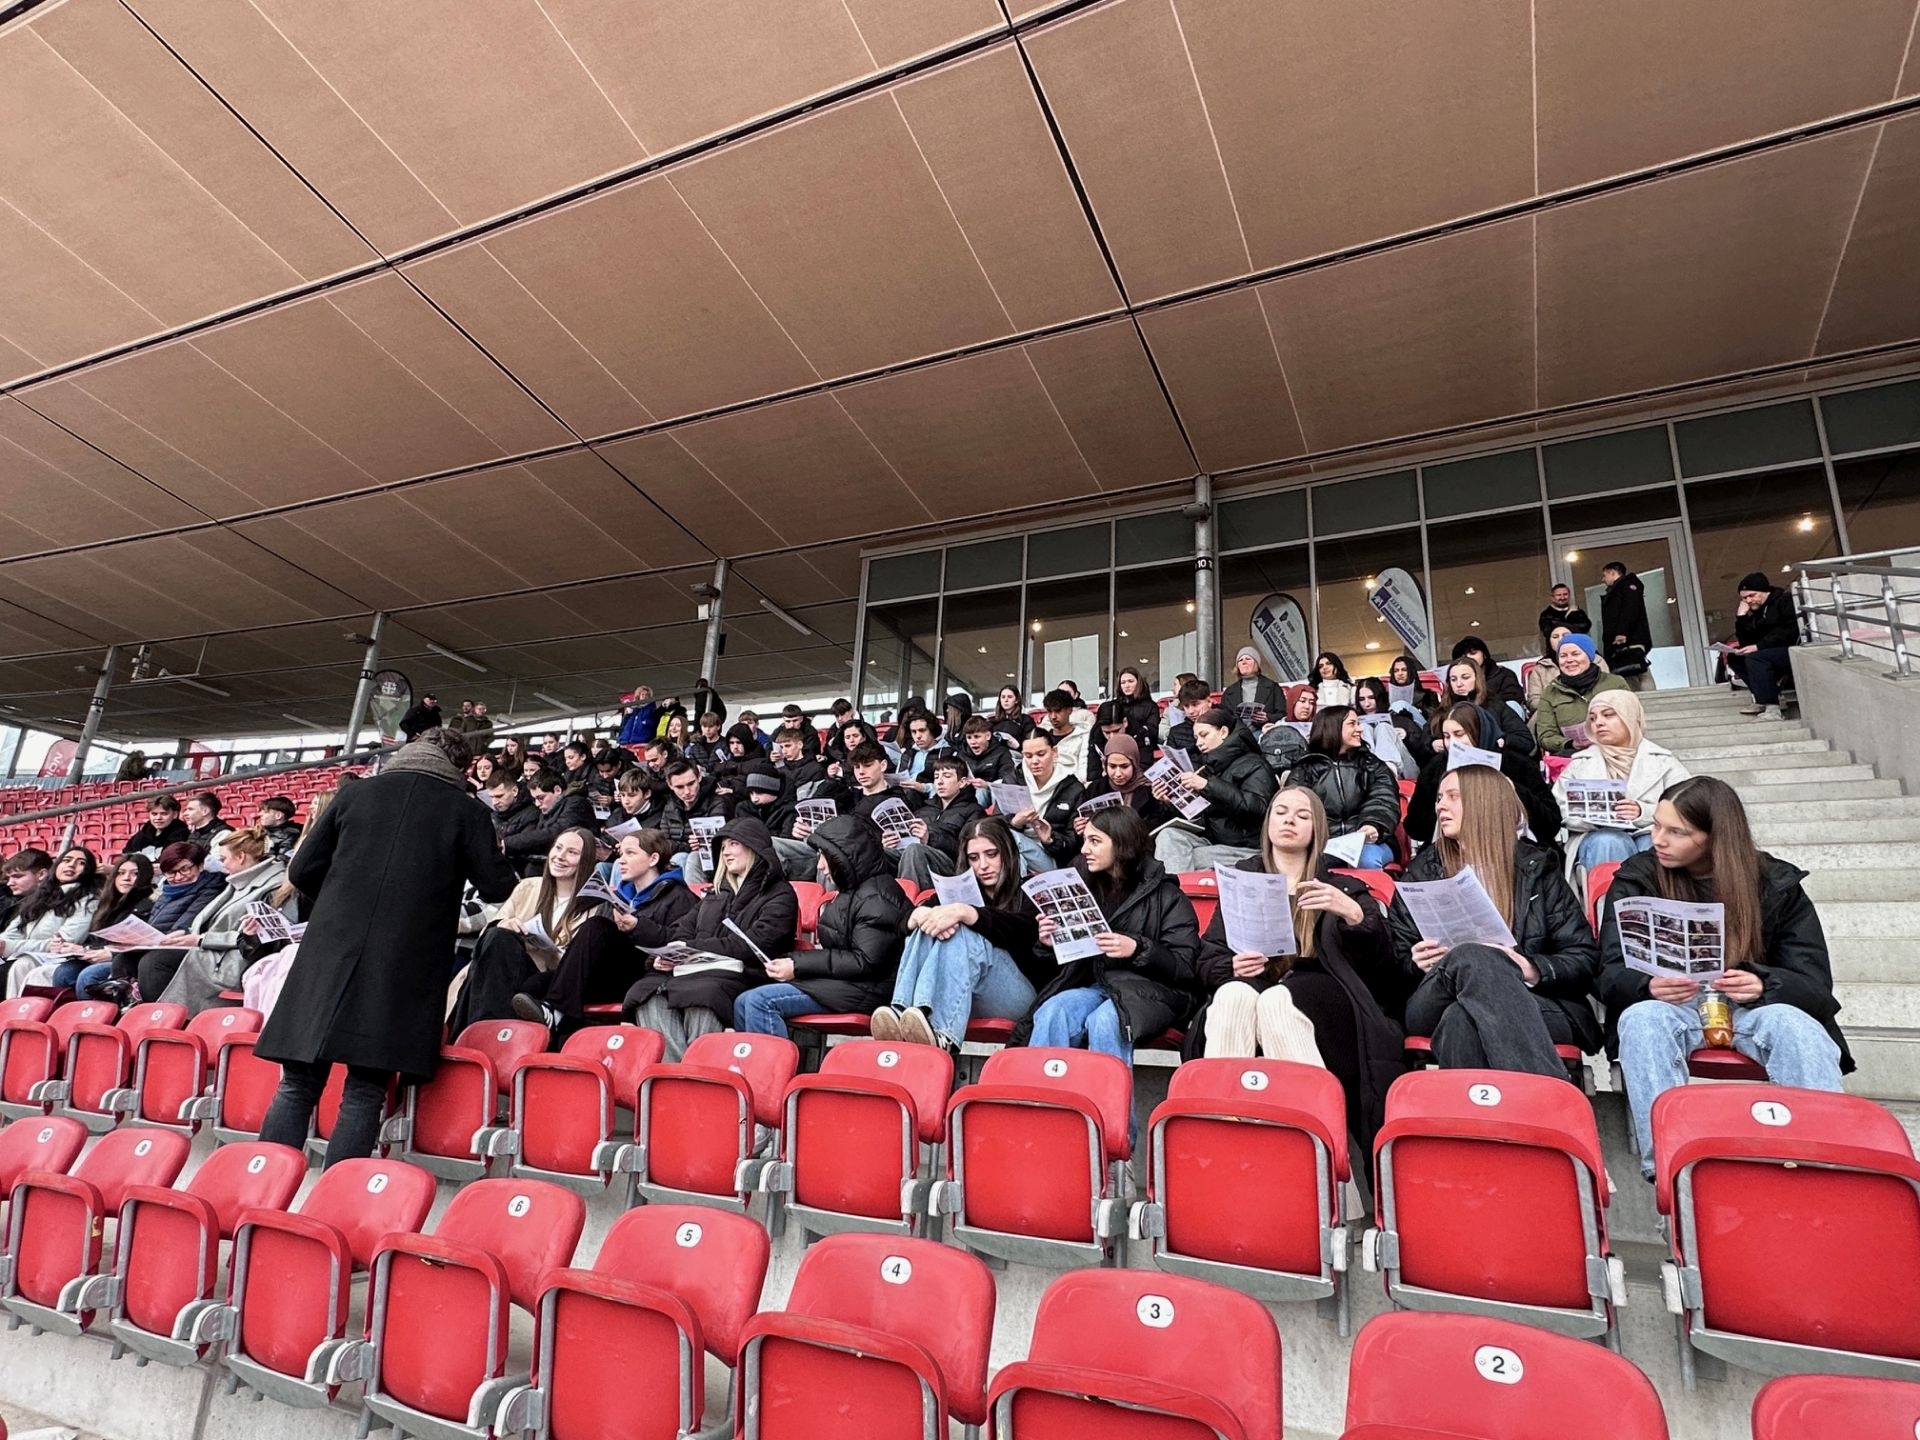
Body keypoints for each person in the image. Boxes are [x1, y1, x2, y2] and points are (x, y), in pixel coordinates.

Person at [255, 728, 517, 1167]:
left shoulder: (355, 794)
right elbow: (497, 886)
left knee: (297, 1083)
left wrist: (340, 903)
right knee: (365, 1090)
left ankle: (260, 1184)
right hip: (403, 960)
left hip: (330, 948)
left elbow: (301, 870)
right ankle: (339, 1196)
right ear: (460, 766)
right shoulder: (465, 810)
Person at [1598, 777, 1848, 1166]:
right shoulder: (1638, 877)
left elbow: (1815, 985)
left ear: (1715, 837)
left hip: (1753, 1008)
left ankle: (1826, 1160)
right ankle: (1669, 1169)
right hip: (1674, 1006)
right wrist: (1647, 985)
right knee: (1642, 1020)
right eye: (1657, 825)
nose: (1658, 839)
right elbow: (1608, 973)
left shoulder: (1774, 883)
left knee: (1796, 1027)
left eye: (1677, 832)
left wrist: (1764, 983)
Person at [1190, 787, 1411, 1150]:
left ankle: (1322, 1148)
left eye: (1302, 815)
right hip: (1259, 989)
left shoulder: (1344, 887)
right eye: (1280, 812)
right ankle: (1222, 1135)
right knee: (1232, 994)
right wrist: (1231, 966)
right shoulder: (1242, 881)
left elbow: (1384, 972)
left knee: (1278, 1001)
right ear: (1267, 824)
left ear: (1317, 829)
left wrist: (1356, 917)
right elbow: (1207, 961)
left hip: (1328, 1004)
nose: (1289, 820)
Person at [1390, 767, 1600, 1074]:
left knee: (1461, 1021)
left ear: (1484, 802)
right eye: (1439, 798)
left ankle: (1479, 1108)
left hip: (1535, 1000)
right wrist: (1414, 963)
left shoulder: (1536, 869)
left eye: (1453, 797)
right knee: (1471, 956)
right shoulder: (1421, 872)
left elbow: (1583, 959)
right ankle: (1548, 1093)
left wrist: (1531, 968)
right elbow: (1394, 964)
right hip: (1435, 997)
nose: (1440, 806)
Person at [1022, 807, 1199, 1065]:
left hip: (1156, 992)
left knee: (1105, 1020)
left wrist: (1137, 949)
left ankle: (1109, 1093)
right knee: (1052, 1010)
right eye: (1085, 840)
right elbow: (1059, 969)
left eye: (1095, 841)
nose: (1085, 849)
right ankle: (1040, 1089)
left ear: (1122, 844)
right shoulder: (1085, 885)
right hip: (1099, 985)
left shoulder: (1168, 896)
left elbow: (1186, 968)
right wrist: (1050, 945)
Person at [623, 817, 798, 1061]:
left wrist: (690, 947)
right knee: (645, 993)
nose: (726, 852)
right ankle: (677, 1073)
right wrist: (665, 957)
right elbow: (680, 932)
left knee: (704, 994)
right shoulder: (714, 895)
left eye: (734, 844)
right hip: (694, 972)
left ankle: (696, 1070)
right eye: (723, 846)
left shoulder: (779, 894)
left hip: (744, 974)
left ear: (755, 847)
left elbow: (757, 944)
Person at [875, 816, 1045, 1053]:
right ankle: (902, 1013)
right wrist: (915, 916)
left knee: (963, 930)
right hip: (965, 996)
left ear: (1007, 853)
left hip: (1018, 997)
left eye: (991, 854)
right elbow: (903, 924)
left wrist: (967, 913)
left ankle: (941, 1033)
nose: (983, 865)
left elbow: (1024, 929)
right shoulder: (957, 891)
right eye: (974, 858)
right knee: (929, 921)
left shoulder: (1030, 890)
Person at [733, 815, 909, 1039]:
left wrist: (797, 965)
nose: (820, 866)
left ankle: (773, 1063)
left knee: (759, 1001)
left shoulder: (877, 896)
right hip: (845, 984)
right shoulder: (851, 891)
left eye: (825, 857)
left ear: (845, 857)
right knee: (742, 1001)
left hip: (869, 989)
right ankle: (756, 1061)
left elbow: (865, 962)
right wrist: (794, 961)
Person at [511, 828, 698, 1033]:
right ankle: (543, 1035)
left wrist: (637, 926)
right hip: (609, 973)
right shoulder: (617, 895)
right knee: (534, 985)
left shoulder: (678, 895)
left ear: (653, 859)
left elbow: (681, 940)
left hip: (644, 973)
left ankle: (557, 1013)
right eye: (621, 853)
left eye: (630, 853)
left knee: (596, 926)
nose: (621, 861)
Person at [450, 826, 596, 1029]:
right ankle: (485, 1029)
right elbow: (487, 938)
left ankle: (485, 1030)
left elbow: (578, 964)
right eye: (558, 848)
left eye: (572, 852)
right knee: (499, 936)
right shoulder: (528, 886)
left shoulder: (593, 905)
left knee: (499, 945)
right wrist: (504, 924)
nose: (560, 856)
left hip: (545, 982)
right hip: (504, 967)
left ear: (585, 861)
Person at [149, 828, 295, 1014]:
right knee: (141, 957)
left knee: (157, 962)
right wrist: (187, 934)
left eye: (223, 859)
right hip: (215, 951)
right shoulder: (241, 881)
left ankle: (167, 1019)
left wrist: (201, 939)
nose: (222, 864)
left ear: (240, 857)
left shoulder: (273, 886)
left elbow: (256, 936)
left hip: (234, 958)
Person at [1553, 689, 1690, 877]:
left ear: (1630, 717)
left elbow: (1687, 806)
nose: (1599, 723)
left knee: (1653, 843)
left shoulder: (1664, 761)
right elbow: (1558, 807)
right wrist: (1594, 815)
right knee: (1609, 841)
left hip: (1652, 831)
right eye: (1592, 718)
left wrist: (1643, 811)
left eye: (1608, 715)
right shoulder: (1579, 764)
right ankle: (1610, 898)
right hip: (1596, 836)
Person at [1404, 704, 1562, 852]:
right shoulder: (1435, 770)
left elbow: (1550, 823)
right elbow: (1415, 829)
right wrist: (1444, 805)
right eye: (1446, 737)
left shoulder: (1518, 765)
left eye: (1459, 734)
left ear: (1479, 731)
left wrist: (1514, 790)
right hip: (1452, 851)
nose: (1452, 743)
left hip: (1513, 851)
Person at [1151, 707, 1276, 872]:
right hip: (1215, 841)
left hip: (1247, 848)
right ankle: (1175, 886)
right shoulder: (1210, 767)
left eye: (1204, 735)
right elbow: (1204, 815)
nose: (1199, 743)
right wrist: (1171, 801)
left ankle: (1175, 888)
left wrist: (1207, 786)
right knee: (1168, 836)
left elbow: (1258, 808)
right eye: (1196, 738)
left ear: (1223, 732)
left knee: (1182, 857)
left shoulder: (1255, 764)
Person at [1282, 707, 1401, 869]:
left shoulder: (1372, 764)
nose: (1359, 729)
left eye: (1358, 723)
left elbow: (1383, 799)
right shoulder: (1304, 769)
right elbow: (1295, 808)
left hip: (1370, 841)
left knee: (1365, 858)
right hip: (1324, 843)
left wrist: (1373, 825)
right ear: (1333, 728)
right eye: (1352, 724)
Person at [0, 846, 100, 997]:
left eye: (81, 862)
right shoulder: (37, 898)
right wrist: (4, 944)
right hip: (25, 955)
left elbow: (63, 943)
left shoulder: (88, 901)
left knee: (23, 965)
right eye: (66, 860)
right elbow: (11, 933)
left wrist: (8, 946)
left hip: (58, 960)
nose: (71, 865)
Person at [61, 854, 155, 999]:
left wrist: (111, 954)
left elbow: (144, 943)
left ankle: (94, 1013)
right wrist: (81, 949)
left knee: (89, 975)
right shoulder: (107, 904)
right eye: (121, 873)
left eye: (134, 874)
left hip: (126, 961)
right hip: (101, 956)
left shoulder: (148, 905)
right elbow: (96, 940)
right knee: (64, 972)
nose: (126, 878)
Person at [892, 757, 984, 889]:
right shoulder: (925, 808)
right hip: (914, 854)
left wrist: (930, 838)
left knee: (915, 850)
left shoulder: (974, 810)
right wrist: (893, 842)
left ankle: (909, 899)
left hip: (951, 864)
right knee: (881, 851)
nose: (939, 782)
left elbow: (967, 849)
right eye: (936, 777)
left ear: (962, 782)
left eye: (947, 776)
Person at [1532, 633, 1630, 756]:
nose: (1569, 660)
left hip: (1617, 751)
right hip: (1575, 757)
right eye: (1563, 656)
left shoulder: (1615, 683)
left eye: (1575, 654)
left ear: (1589, 656)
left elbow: (1632, 719)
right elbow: (1546, 736)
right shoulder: (1549, 693)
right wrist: (1570, 744)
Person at [1006, 730, 1085, 874]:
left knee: (1012, 838)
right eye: (1028, 756)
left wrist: (1050, 839)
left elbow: (1074, 841)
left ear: (1054, 752)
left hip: (1051, 857)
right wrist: (1015, 823)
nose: (1034, 761)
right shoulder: (1013, 779)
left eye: (1041, 754)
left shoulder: (1073, 788)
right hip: (1015, 852)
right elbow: (996, 821)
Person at [1729, 571, 1799, 721]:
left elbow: (1791, 631)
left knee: (1756, 658)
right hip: (1768, 651)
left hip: (1791, 649)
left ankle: (1773, 708)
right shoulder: (1756, 611)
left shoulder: (1784, 601)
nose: (1748, 600)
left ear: (1764, 591)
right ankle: (1762, 698)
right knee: (1735, 658)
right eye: (1744, 598)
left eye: (1751, 595)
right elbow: (1747, 642)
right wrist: (1741, 618)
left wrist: (1759, 646)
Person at [504, 768, 599, 874]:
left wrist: (507, 844)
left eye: (541, 798)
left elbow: (555, 833)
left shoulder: (577, 804)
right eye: (534, 799)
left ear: (557, 790)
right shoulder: (550, 809)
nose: (537, 804)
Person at [1075, 735, 1174, 831]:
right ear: (1105, 765)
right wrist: (1081, 828)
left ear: (1134, 764)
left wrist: (1165, 804)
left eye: (1124, 766)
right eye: (1112, 766)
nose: (1118, 774)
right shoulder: (1095, 789)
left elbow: (1160, 824)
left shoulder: (1150, 788)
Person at [1441, 656, 1535, 756]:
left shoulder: (1494, 704)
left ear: (1478, 678)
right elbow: (1430, 738)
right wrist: (1432, 744)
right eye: (1453, 679)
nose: (1459, 684)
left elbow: (1526, 741)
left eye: (1465, 677)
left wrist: (1503, 740)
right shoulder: (1444, 709)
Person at [1355, 675, 1429, 774]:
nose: (1366, 704)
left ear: (1380, 697)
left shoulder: (1399, 718)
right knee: (1364, 728)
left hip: (1405, 770)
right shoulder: (1355, 723)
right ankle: (1378, 772)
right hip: (1367, 770)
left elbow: (1424, 752)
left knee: (1383, 727)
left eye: (1371, 698)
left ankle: (1388, 771)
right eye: (1361, 699)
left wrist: (1407, 736)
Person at [1599, 560, 1653, 689]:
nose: (1603, 579)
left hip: (1629, 639)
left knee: (1639, 670)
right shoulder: (1621, 588)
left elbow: (1630, 609)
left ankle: (1651, 697)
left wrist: (1621, 632)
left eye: (1605, 575)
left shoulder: (1628, 586)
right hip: (1624, 639)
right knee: (1630, 671)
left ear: (1613, 573)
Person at [1449, 636, 1527, 717]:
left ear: (1484, 654)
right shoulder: (1455, 681)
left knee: (1512, 705)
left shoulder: (1504, 674)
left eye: (1473, 653)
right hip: (1467, 719)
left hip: (1500, 717)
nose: (1469, 658)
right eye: (1463, 656)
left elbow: (1514, 698)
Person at [1039, 688, 1095, 777]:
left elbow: (1083, 771)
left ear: (1069, 710)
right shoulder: (1041, 738)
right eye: (1049, 711)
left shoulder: (1084, 737)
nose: (1053, 716)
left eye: (1058, 711)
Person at [1225, 647, 1285, 728]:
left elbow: (1283, 714)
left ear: (1257, 664)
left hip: (1264, 730)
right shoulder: (1229, 692)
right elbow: (1224, 717)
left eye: (1248, 659)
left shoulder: (1273, 687)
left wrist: (1268, 717)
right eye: (1240, 660)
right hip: (1237, 733)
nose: (1244, 662)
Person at [958, 715, 1020, 788]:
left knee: (981, 792)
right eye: (969, 737)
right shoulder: (961, 755)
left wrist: (988, 785)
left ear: (988, 736)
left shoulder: (1001, 753)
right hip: (966, 792)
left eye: (976, 737)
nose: (972, 742)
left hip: (992, 792)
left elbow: (1008, 780)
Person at [1113, 666, 1162, 752]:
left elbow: (1152, 731)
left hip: (1143, 748)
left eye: (1130, 681)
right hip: (1117, 747)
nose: (1127, 685)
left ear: (1138, 683)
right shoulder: (1114, 706)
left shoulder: (1151, 706)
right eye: (1123, 682)